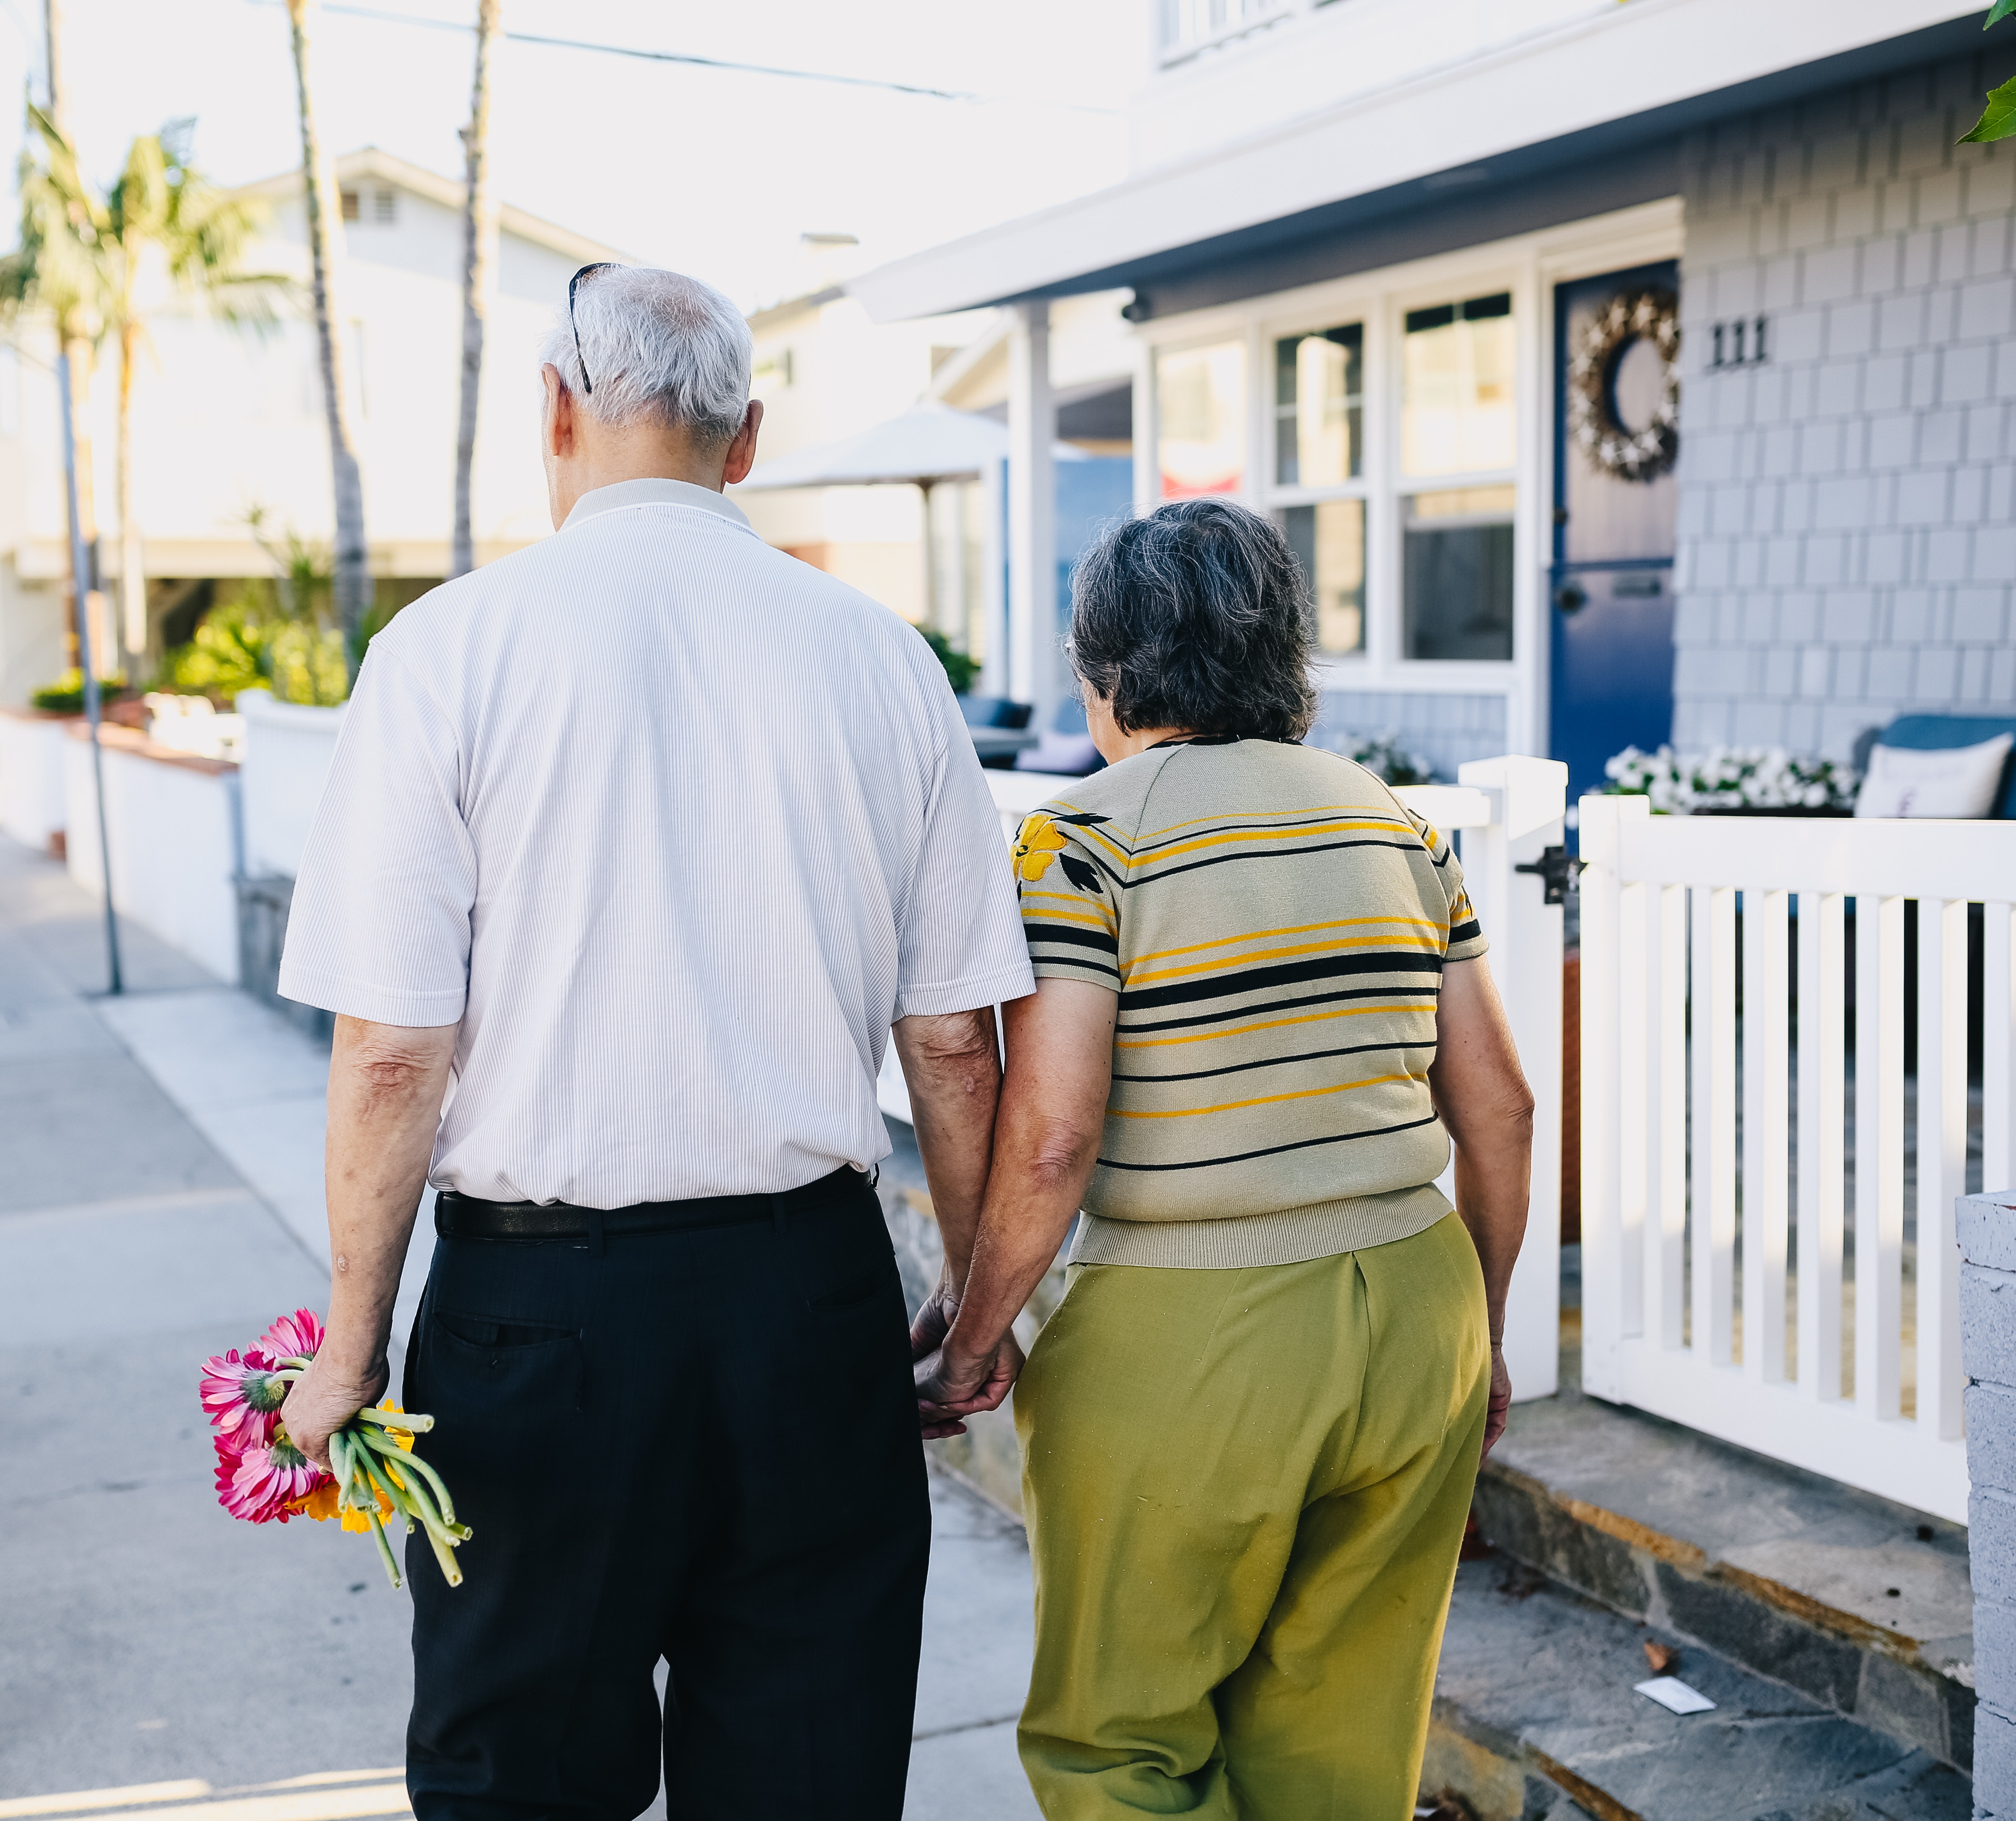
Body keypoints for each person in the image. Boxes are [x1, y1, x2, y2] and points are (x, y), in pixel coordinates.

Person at [275, 264, 1034, 1821]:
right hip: (809, 1308)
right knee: (808, 1778)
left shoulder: (448, 651)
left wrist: (351, 1343)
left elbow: (392, 1052)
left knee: (522, 1785)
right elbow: (955, 1042)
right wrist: (971, 1305)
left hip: (533, 1320)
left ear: (555, 411)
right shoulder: (882, 658)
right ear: (744, 440)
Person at [915, 497, 1535, 1819]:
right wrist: (1482, 1332)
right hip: (1419, 1305)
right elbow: (1505, 1110)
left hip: (1192, 1335)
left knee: (1120, 1748)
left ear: (1109, 674)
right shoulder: (1398, 826)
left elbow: (1054, 1138)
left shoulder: (1084, 837)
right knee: (1345, 1743)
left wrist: (977, 1334)